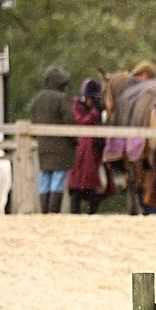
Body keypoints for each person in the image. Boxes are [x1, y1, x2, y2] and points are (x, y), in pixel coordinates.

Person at [30, 64, 75, 214]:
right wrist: (75, 140)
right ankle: (53, 211)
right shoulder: (60, 98)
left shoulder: (37, 99)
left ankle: (44, 211)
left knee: (44, 177)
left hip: (43, 145)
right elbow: (69, 121)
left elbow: (33, 121)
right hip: (60, 147)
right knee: (58, 177)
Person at [66, 77, 110, 214]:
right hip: (81, 152)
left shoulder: (98, 111)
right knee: (77, 186)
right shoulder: (77, 107)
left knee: (98, 186)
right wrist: (95, 112)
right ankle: (75, 213)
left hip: (95, 152)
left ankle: (91, 213)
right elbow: (82, 121)